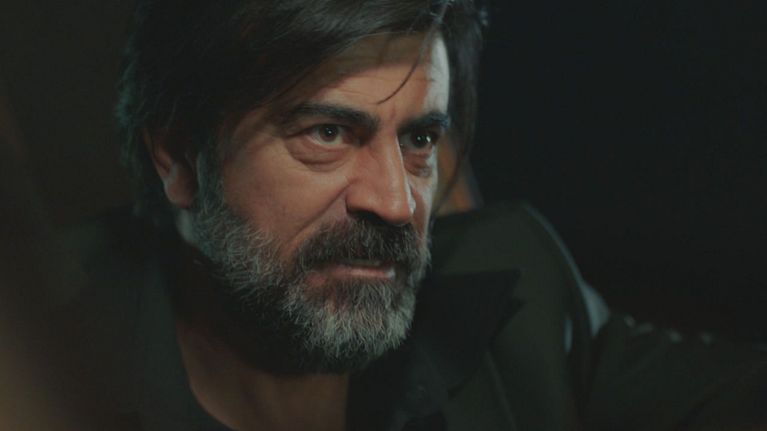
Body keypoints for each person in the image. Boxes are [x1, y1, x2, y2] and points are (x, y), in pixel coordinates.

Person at [50, 1, 767, 430]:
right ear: (179, 157)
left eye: (419, 139)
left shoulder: (514, 283)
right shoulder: (42, 361)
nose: (396, 203)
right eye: (328, 133)